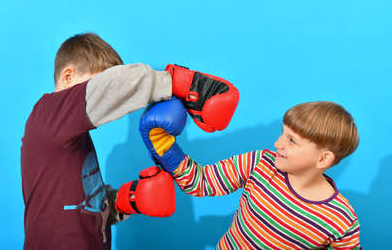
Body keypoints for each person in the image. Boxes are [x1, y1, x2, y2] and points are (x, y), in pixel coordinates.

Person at [20, 32, 239, 250]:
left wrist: (124, 200)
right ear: (68, 77)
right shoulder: (48, 113)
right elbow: (116, 85)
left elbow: (76, 204)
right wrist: (185, 83)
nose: (109, 101)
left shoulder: (67, 135)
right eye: (98, 84)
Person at [140, 98, 362, 249]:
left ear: (323, 159)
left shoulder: (341, 220)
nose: (278, 143)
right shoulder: (261, 164)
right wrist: (167, 149)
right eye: (283, 134)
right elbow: (202, 182)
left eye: (291, 141)